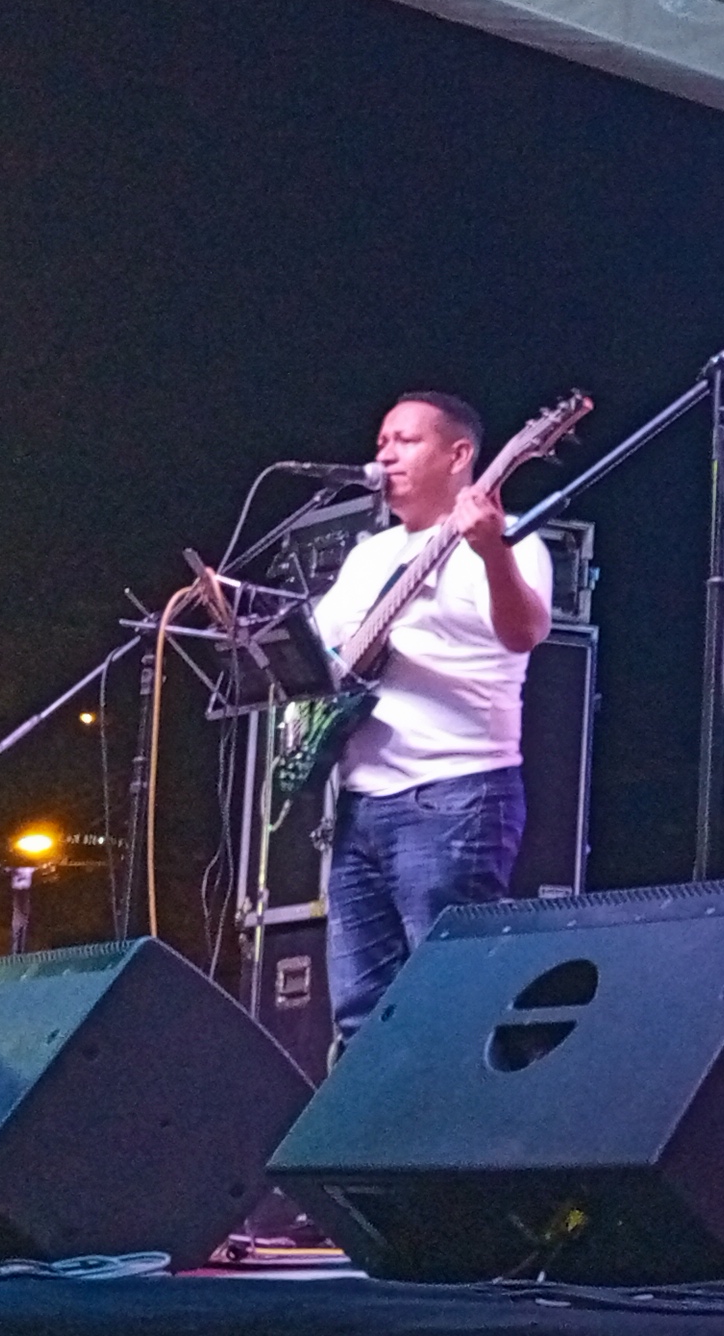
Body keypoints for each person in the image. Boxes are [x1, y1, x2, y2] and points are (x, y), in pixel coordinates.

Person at [312, 391, 553, 1046]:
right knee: (359, 1015)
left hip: (456, 796)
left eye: (406, 440)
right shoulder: (369, 556)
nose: (386, 454)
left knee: (454, 1002)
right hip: (361, 805)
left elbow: (526, 632)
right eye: (382, 442)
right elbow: (322, 658)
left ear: (459, 454)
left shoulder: (513, 538)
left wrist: (492, 551)